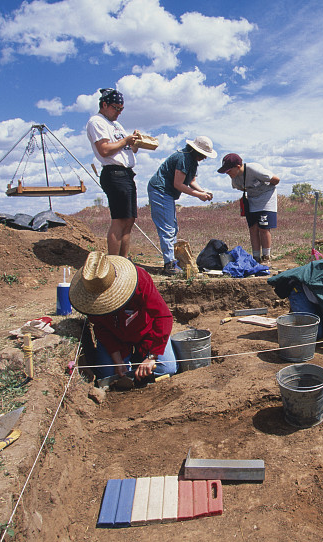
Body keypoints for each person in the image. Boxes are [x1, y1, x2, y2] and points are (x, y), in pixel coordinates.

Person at [69, 251, 177, 384]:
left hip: (145, 332)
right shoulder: (89, 298)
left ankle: (140, 358)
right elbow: (101, 328)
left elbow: (163, 316)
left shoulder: (139, 279)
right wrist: (117, 359)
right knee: (107, 376)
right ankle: (130, 363)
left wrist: (151, 357)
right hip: (115, 338)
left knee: (167, 368)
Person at [147, 137, 217, 275]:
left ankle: (174, 260)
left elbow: (191, 180)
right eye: (203, 155)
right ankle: (170, 264)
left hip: (168, 194)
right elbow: (178, 184)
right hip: (160, 191)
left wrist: (203, 191)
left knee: (173, 227)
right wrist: (198, 195)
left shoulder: (192, 160)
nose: (204, 158)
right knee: (167, 228)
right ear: (196, 150)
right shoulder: (183, 158)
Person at [86, 88, 140, 257]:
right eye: (116, 108)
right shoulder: (97, 122)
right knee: (119, 220)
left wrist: (135, 141)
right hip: (114, 173)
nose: (118, 112)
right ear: (104, 104)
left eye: (121, 109)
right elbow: (104, 150)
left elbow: (132, 149)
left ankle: (124, 262)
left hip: (126, 174)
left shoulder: (116, 124)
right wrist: (125, 140)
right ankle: (114, 262)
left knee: (129, 220)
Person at [218, 153, 281, 263]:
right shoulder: (235, 178)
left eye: (229, 171)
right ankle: (256, 257)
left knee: (264, 228)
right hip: (252, 199)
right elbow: (240, 188)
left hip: (267, 197)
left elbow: (276, 179)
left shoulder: (254, 169)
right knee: (253, 228)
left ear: (238, 167)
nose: (228, 174)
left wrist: (264, 188)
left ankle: (266, 257)